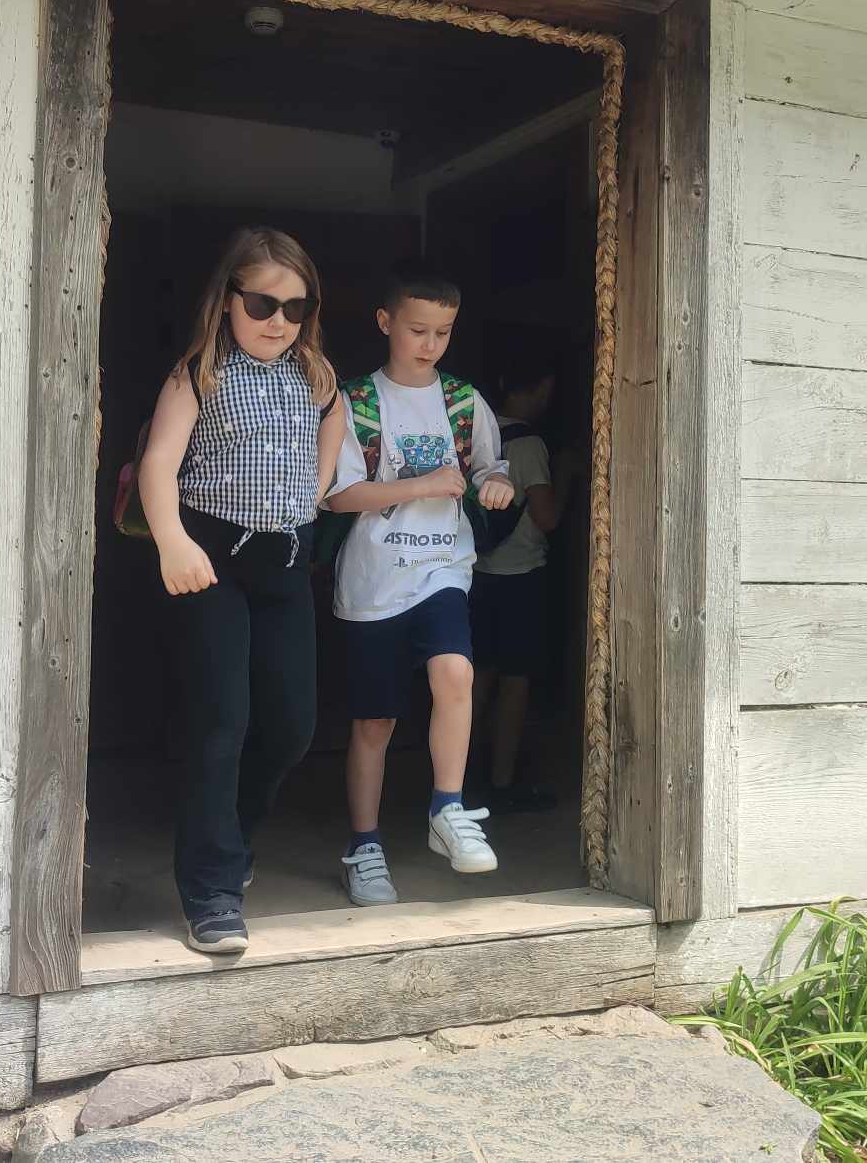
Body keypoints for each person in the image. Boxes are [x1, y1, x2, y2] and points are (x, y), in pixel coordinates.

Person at [135, 227, 347, 955]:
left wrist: (313, 491)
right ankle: (211, 890)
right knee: (220, 723)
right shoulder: (198, 372)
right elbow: (160, 463)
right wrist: (172, 540)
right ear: (228, 299)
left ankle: (234, 836)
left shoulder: (314, 373)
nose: (278, 321)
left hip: (284, 560)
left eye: (297, 307)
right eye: (262, 304)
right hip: (211, 560)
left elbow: (334, 427)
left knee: (291, 724)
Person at [323, 261, 515, 906]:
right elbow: (337, 495)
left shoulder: (462, 401)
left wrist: (496, 484)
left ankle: (447, 808)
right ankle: (364, 846)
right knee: (374, 722)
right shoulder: (355, 402)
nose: (430, 344)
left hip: (442, 568)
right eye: (417, 330)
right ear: (385, 322)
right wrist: (422, 486)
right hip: (374, 582)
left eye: (443, 332)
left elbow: (492, 469)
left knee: (455, 671)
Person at [470, 358, 576, 814]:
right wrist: (566, 474)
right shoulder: (529, 444)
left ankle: (460, 776)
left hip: (477, 573)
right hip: (520, 578)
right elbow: (547, 518)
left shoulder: (482, 433)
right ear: (544, 387)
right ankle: (502, 780)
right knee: (515, 681)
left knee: (476, 678)